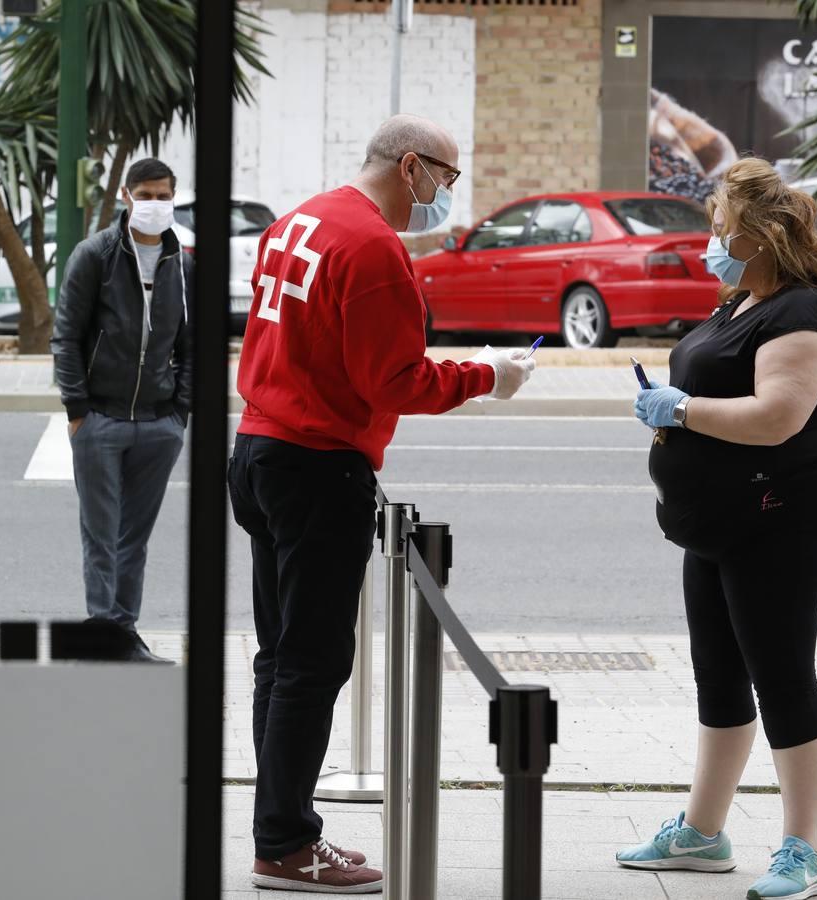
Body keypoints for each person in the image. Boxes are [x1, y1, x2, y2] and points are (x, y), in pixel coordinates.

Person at [228, 114, 536, 893]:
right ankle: (286, 845)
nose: (444, 195)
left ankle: (281, 829)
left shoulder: (302, 219)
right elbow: (394, 382)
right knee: (313, 661)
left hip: (261, 449)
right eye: (446, 178)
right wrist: (487, 377)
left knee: (282, 655)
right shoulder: (373, 249)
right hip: (318, 464)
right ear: (411, 167)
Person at [618, 158, 817, 900]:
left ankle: (804, 849)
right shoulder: (742, 301)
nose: (710, 236)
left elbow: (777, 416)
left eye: (719, 224)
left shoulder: (800, 314)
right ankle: (702, 833)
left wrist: (680, 410)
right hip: (719, 521)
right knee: (718, 673)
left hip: (781, 515)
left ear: (757, 234)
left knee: (782, 674)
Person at [51, 158, 193, 665]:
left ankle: (124, 634)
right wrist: (77, 409)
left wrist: (180, 413)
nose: (155, 204)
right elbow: (65, 335)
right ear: (128, 198)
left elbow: (193, 345)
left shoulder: (184, 264)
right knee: (102, 535)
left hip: (159, 423)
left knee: (134, 538)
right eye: (146, 195)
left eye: (164, 195)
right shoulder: (96, 255)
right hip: (101, 419)